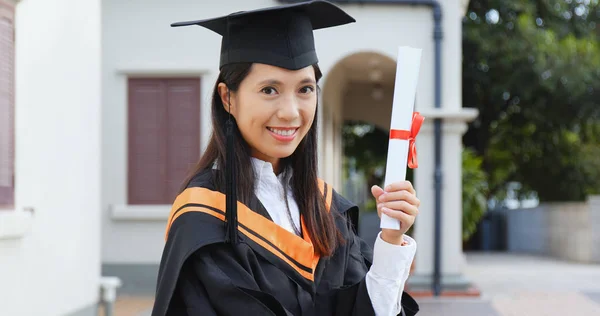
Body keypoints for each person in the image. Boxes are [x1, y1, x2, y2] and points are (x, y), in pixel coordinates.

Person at [151, 1, 421, 315]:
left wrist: (390, 240)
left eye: (305, 89)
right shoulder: (204, 219)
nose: (291, 112)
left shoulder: (328, 210)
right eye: (269, 90)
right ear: (228, 98)